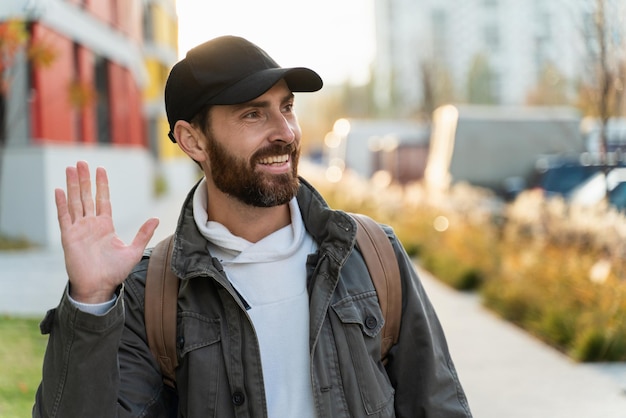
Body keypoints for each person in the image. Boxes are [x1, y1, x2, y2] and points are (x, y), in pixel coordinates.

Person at [33, 35, 472, 417]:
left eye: (287, 108)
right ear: (193, 140)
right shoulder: (152, 295)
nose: (285, 132)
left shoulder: (371, 253)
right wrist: (89, 303)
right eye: (252, 115)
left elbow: (439, 405)